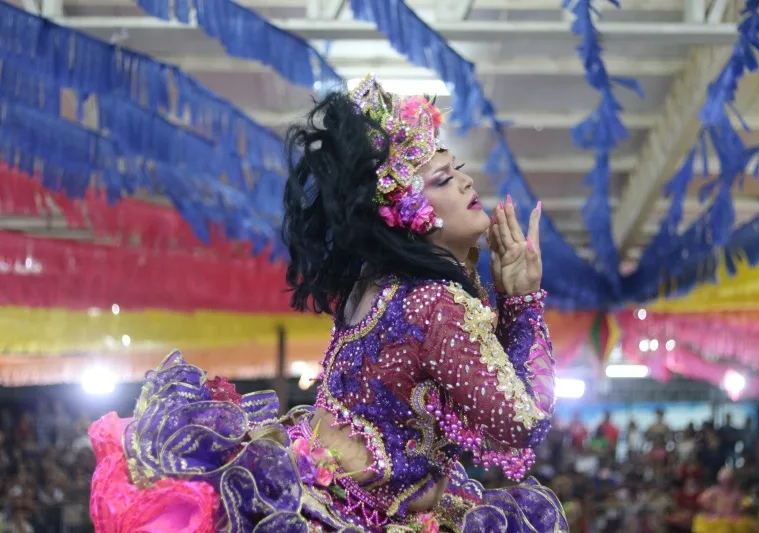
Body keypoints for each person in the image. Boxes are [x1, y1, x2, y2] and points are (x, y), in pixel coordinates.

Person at [87, 75, 567, 533]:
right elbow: (522, 423)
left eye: (457, 172)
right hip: (350, 516)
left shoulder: (378, 287)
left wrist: (507, 301)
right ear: (408, 215)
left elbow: (489, 396)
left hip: (319, 492)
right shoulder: (434, 304)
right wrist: (522, 303)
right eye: (442, 179)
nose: (465, 184)